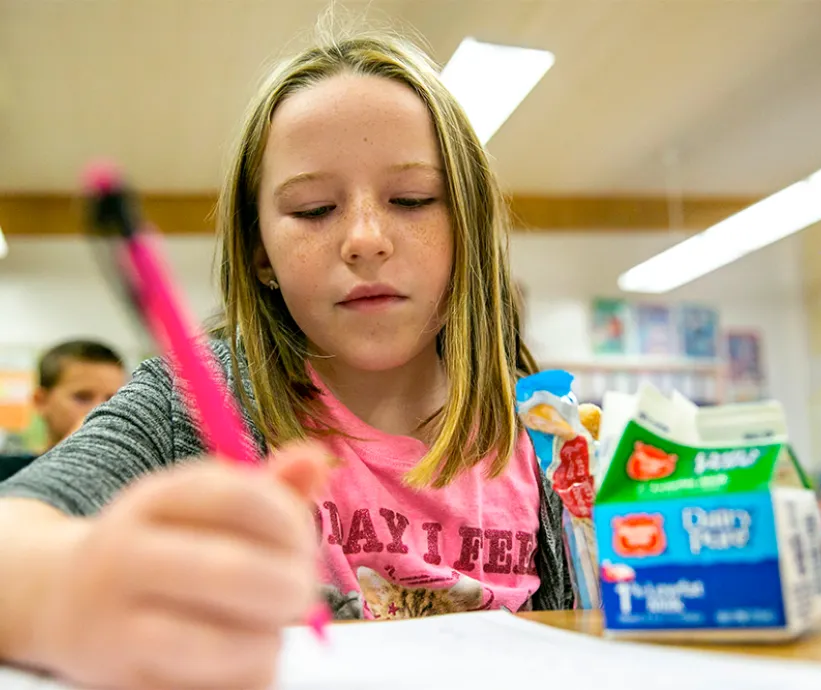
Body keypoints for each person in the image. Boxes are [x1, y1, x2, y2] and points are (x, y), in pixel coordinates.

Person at [0, 29, 570, 690]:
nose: (364, 240)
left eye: (412, 200)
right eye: (313, 209)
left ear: (469, 227)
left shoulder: (544, 431)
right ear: (262, 252)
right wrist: (66, 591)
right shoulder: (188, 400)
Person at [0, 340, 126, 482]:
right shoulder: (6, 473)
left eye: (113, 399)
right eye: (82, 397)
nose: (101, 410)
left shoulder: (131, 483)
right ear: (40, 401)